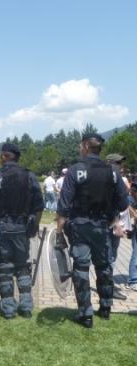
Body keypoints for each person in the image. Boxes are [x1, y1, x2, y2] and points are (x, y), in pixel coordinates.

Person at [56, 133, 129, 328]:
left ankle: (85, 313)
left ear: (86, 147)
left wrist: (59, 230)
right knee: (104, 267)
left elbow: (63, 205)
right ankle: (105, 308)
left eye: (81, 146)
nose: (80, 149)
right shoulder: (112, 172)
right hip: (102, 226)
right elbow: (123, 203)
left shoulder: (75, 170)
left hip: (80, 226)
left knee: (81, 268)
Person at [0, 143, 44, 319]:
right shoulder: (29, 176)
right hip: (21, 227)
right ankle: (26, 306)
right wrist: (33, 227)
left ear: (3, 156)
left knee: (5, 267)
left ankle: (8, 309)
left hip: (1, 227)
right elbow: (39, 206)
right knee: (22, 267)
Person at [105, 153, 128, 300]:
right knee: (110, 256)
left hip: (99, 221)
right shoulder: (114, 177)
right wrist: (117, 223)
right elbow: (122, 203)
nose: (121, 166)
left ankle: (105, 285)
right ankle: (108, 288)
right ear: (112, 163)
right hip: (111, 221)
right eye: (119, 163)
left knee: (107, 256)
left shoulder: (99, 176)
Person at [126, 181, 137, 290]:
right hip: (134, 229)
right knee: (136, 254)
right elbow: (126, 206)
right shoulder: (129, 198)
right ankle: (133, 279)